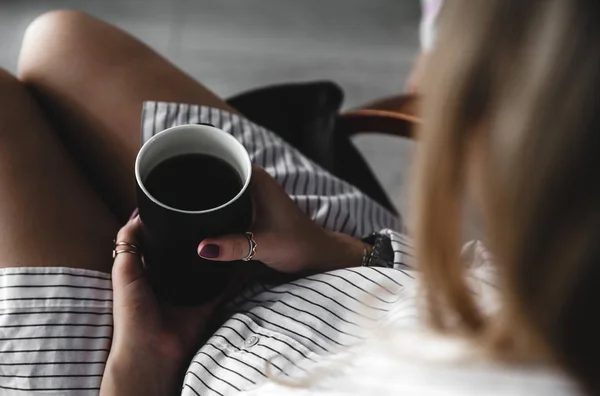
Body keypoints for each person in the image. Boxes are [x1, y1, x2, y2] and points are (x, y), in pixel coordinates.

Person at [0, 1, 598, 396]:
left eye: (445, 69)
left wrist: (142, 366)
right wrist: (334, 249)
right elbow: (464, 277)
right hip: (343, 260)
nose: (414, 86)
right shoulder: (560, 284)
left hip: (152, 373)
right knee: (58, 37)